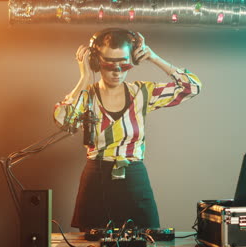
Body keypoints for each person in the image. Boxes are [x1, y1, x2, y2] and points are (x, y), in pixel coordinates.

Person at [54, 28, 202, 231]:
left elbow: (192, 86)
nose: (117, 71)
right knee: (92, 246)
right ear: (96, 62)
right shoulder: (86, 95)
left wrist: (154, 58)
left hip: (133, 177)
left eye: (124, 64)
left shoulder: (142, 92)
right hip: (96, 177)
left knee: (147, 241)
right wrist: (84, 76)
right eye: (108, 64)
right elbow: (63, 120)